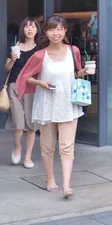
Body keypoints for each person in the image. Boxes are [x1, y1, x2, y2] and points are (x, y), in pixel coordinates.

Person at [14, 15, 87, 199]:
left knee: (67, 146)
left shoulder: (74, 51)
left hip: (69, 105)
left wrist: (84, 72)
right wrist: (40, 83)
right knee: (47, 146)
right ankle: (50, 179)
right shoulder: (40, 55)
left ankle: (67, 185)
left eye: (60, 29)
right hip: (46, 104)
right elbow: (24, 78)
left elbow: (76, 73)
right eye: (52, 29)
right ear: (45, 32)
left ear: (65, 31)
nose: (56, 33)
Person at [4, 17, 41, 168]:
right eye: (26, 27)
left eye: (32, 26)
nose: (30, 29)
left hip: (33, 88)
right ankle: (17, 146)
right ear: (22, 30)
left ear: (37, 30)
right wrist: (12, 60)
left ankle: (27, 156)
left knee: (31, 124)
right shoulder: (16, 46)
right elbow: (7, 68)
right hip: (14, 86)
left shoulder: (40, 50)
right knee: (18, 123)